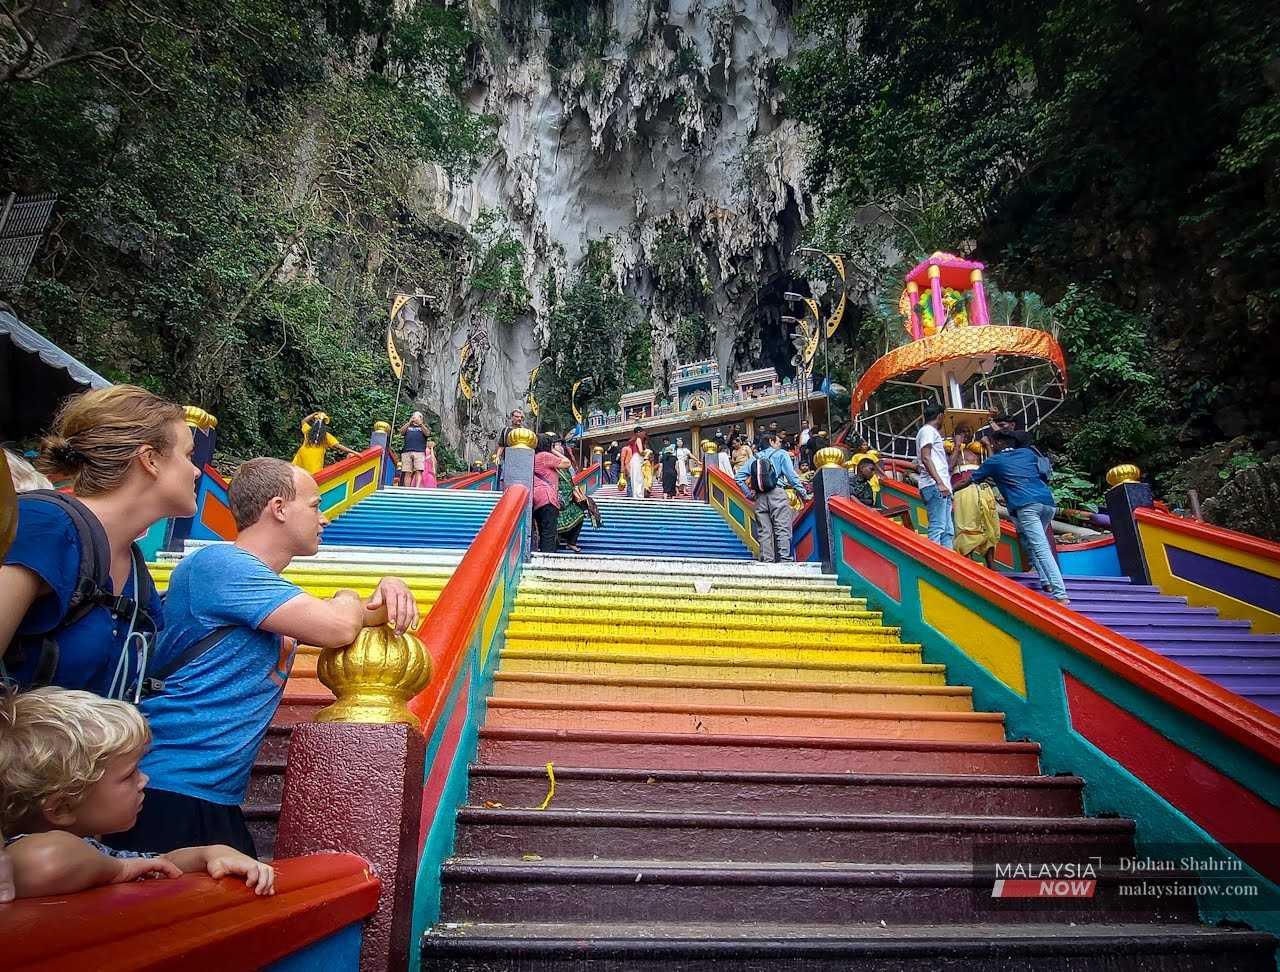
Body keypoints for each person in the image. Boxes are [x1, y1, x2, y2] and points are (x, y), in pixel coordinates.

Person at [107, 458, 417, 856]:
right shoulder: (219, 565)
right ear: (279, 508)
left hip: (214, 794)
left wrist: (390, 585)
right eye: (315, 505)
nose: (323, 519)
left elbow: (357, 618)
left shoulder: (261, 591)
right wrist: (349, 596)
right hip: (165, 786)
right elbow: (338, 627)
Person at [0, 386, 198, 699]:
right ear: (150, 460)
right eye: (188, 455)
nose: (196, 470)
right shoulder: (47, 526)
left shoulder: (134, 568)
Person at [0, 687, 275, 898]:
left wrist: (210, 853)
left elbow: (158, 864)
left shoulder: (95, 852)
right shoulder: (19, 853)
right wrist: (119, 870)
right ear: (62, 808)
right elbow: (47, 860)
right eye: (128, 775)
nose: (144, 779)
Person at [971, 433, 1068, 603]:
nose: (991, 445)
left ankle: (1060, 593)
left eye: (993, 443)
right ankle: (1046, 581)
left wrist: (950, 490)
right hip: (1047, 503)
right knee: (1028, 540)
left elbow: (973, 478)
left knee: (1040, 547)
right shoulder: (1027, 454)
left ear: (999, 443)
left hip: (1026, 506)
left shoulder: (994, 461)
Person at [737, 431, 808, 563]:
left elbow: (739, 477)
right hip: (777, 493)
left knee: (764, 531)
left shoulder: (755, 458)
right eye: (778, 441)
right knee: (782, 527)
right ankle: (785, 559)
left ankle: (767, 560)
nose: (780, 444)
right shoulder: (781, 454)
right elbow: (792, 477)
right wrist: (803, 493)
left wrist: (748, 494)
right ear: (771, 441)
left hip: (760, 497)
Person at [949, 425, 1000, 567]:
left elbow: (993, 464)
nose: (965, 434)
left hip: (983, 489)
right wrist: (957, 446)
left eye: (968, 431)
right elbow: (947, 467)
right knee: (967, 524)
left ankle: (991, 563)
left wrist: (988, 446)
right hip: (963, 491)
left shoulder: (977, 451)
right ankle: (968, 563)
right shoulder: (949, 450)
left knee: (989, 523)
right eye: (961, 432)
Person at [915, 402, 954, 549]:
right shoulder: (927, 431)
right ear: (940, 416)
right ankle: (935, 563)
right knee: (938, 527)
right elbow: (926, 457)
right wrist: (939, 482)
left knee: (947, 530)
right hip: (934, 484)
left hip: (941, 486)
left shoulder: (929, 432)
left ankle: (948, 562)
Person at [532, 434, 572, 553]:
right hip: (547, 498)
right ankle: (547, 557)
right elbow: (567, 463)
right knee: (549, 532)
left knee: (542, 530)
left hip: (537, 499)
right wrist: (553, 450)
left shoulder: (534, 457)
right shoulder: (545, 456)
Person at [291, 412, 358, 474]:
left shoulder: (308, 431)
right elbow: (338, 446)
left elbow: (303, 421)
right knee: (314, 476)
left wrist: (313, 414)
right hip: (315, 457)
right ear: (324, 425)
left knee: (298, 472)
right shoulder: (326, 436)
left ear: (315, 422)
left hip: (302, 453)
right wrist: (354, 452)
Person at [551, 440, 587, 552]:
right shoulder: (549, 463)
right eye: (555, 445)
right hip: (555, 499)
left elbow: (571, 480)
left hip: (569, 498)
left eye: (560, 445)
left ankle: (571, 542)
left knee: (580, 514)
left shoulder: (565, 465)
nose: (559, 446)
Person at [398, 412, 429, 487]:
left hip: (419, 452)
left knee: (418, 471)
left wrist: (421, 424)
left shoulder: (423, 427)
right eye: (413, 417)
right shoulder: (408, 427)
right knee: (407, 471)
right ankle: (407, 489)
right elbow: (401, 432)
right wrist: (409, 422)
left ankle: (417, 488)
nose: (415, 418)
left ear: (421, 418)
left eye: (417, 417)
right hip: (407, 451)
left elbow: (427, 433)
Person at [622, 428, 646, 499]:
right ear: (639, 432)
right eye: (643, 432)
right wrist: (648, 453)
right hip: (637, 459)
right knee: (639, 478)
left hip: (634, 459)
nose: (644, 433)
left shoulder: (633, 441)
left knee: (635, 478)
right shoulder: (638, 439)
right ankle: (639, 496)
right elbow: (641, 451)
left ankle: (636, 496)